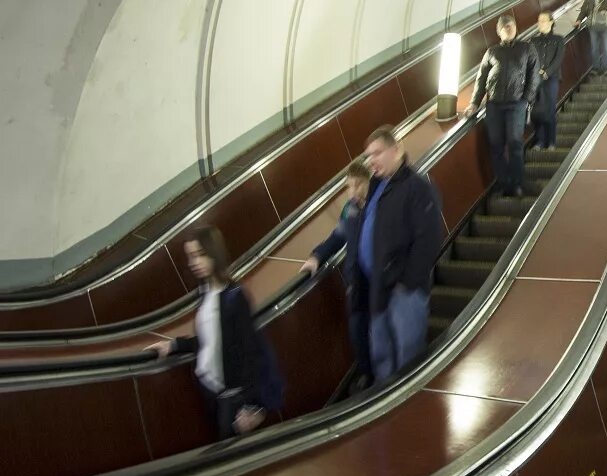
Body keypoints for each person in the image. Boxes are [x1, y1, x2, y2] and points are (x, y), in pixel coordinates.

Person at [149, 226, 284, 438]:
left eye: (200, 255)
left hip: (236, 402)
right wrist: (173, 346)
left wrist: (254, 406)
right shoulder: (205, 293)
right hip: (214, 396)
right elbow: (211, 341)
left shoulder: (234, 297)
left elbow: (251, 350)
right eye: (191, 257)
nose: (194, 263)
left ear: (214, 253)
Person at [356, 126, 445, 380]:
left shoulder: (417, 187)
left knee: (408, 360)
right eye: (368, 156)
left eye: (377, 153)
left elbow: (428, 239)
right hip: (378, 288)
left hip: (404, 292)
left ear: (396, 150)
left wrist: (407, 282)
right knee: (382, 356)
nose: (371, 161)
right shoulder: (376, 187)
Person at [300, 160, 375, 386]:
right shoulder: (349, 210)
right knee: (357, 331)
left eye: (357, 185)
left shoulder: (379, 205)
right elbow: (337, 237)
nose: (352, 191)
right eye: (348, 187)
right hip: (356, 281)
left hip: (377, 279)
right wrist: (316, 257)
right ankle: (367, 374)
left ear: (367, 183)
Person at [468, 15, 540, 195]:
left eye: (511, 26)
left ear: (516, 28)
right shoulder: (491, 52)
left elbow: (534, 75)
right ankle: (503, 184)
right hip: (494, 105)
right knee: (496, 145)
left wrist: (526, 99)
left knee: (515, 143)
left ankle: (517, 183)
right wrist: (474, 103)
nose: (509, 28)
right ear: (499, 31)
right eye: (505, 27)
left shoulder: (526, 48)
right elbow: (481, 78)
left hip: (516, 103)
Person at [530, 11, 566, 150]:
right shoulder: (534, 40)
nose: (540, 23)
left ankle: (551, 141)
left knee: (549, 109)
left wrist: (547, 72)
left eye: (544, 20)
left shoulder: (558, 39)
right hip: (536, 80)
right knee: (538, 110)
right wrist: (537, 72)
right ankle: (539, 140)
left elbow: (559, 59)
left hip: (552, 78)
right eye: (539, 21)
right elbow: (531, 59)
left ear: (551, 22)